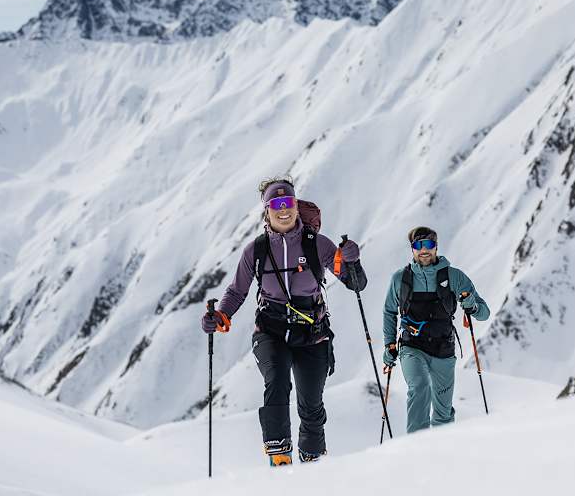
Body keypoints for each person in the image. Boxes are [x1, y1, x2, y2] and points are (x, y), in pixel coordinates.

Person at [201, 177, 367, 466]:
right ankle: (279, 457)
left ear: (295, 205)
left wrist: (353, 261)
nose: (283, 209)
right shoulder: (256, 250)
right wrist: (220, 316)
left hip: (313, 332)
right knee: (276, 382)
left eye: (287, 202)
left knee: (311, 402)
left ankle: (313, 460)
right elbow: (237, 290)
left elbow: (355, 284)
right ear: (266, 210)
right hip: (271, 329)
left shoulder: (318, 245)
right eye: (275, 204)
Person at [381, 226, 490, 433]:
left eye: (429, 245)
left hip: (443, 349)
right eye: (418, 245)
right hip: (412, 347)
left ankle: (442, 454)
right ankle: (414, 448)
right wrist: (390, 344)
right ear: (412, 249)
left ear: (436, 247)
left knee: (443, 411)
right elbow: (389, 312)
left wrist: (472, 305)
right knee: (419, 387)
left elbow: (483, 313)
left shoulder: (454, 277)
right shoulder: (400, 279)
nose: (424, 250)